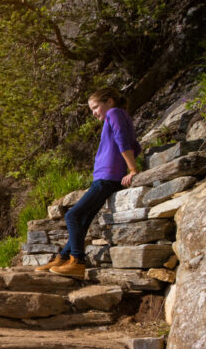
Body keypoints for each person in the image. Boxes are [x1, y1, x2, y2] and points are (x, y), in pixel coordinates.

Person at [37, 87, 141, 278]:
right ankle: (63, 257)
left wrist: (132, 169)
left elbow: (123, 141)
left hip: (107, 178)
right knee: (82, 220)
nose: (93, 112)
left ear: (109, 101)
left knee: (72, 216)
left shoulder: (114, 113)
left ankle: (77, 262)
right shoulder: (117, 115)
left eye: (95, 107)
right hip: (105, 177)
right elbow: (136, 145)